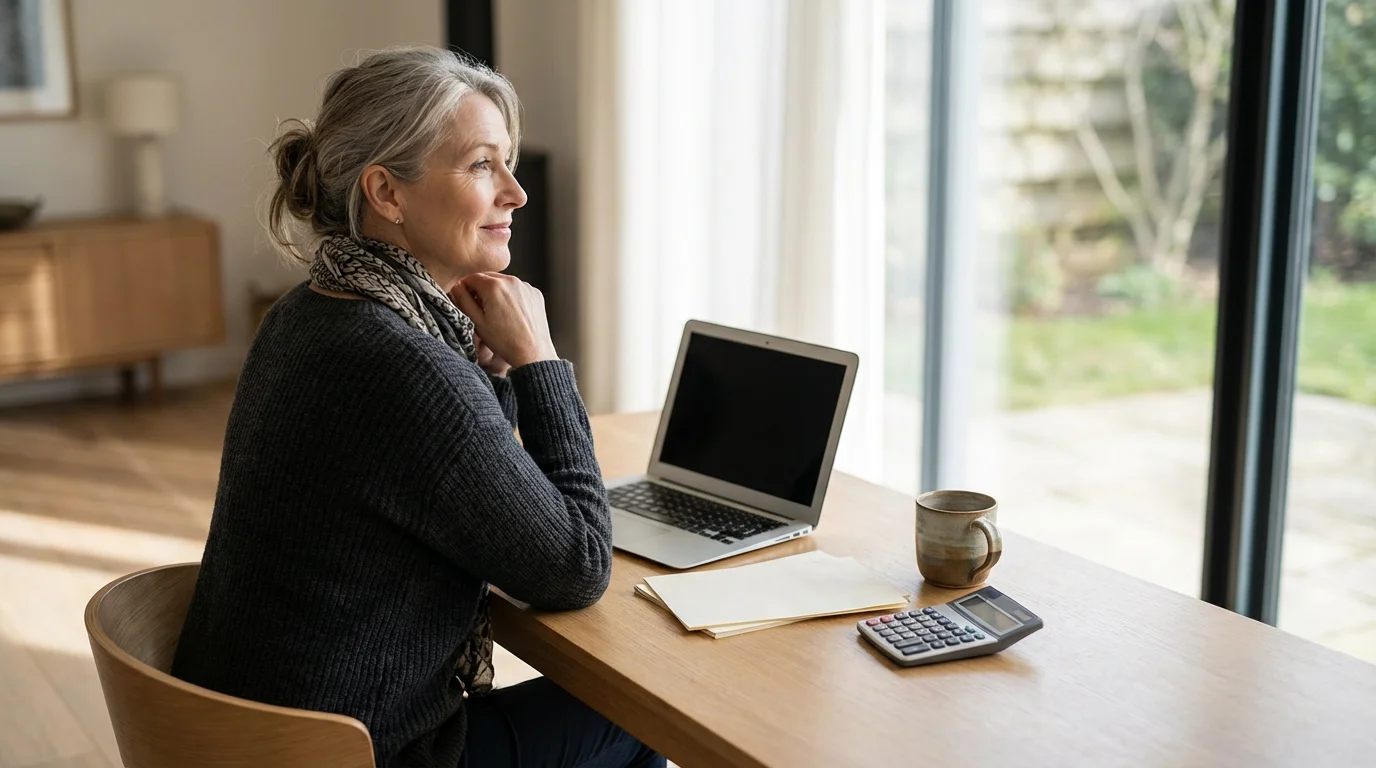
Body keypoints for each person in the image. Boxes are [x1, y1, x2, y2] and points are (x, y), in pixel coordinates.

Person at [170, 45, 665, 768]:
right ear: (387, 193)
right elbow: (577, 564)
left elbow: (461, 490)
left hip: (246, 739)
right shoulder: (400, 365)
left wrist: (484, 369)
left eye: (509, 161)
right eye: (481, 165)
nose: (516, 193)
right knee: (642, 709)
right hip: (356, 752)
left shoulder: (311, 313)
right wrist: (539, 361)